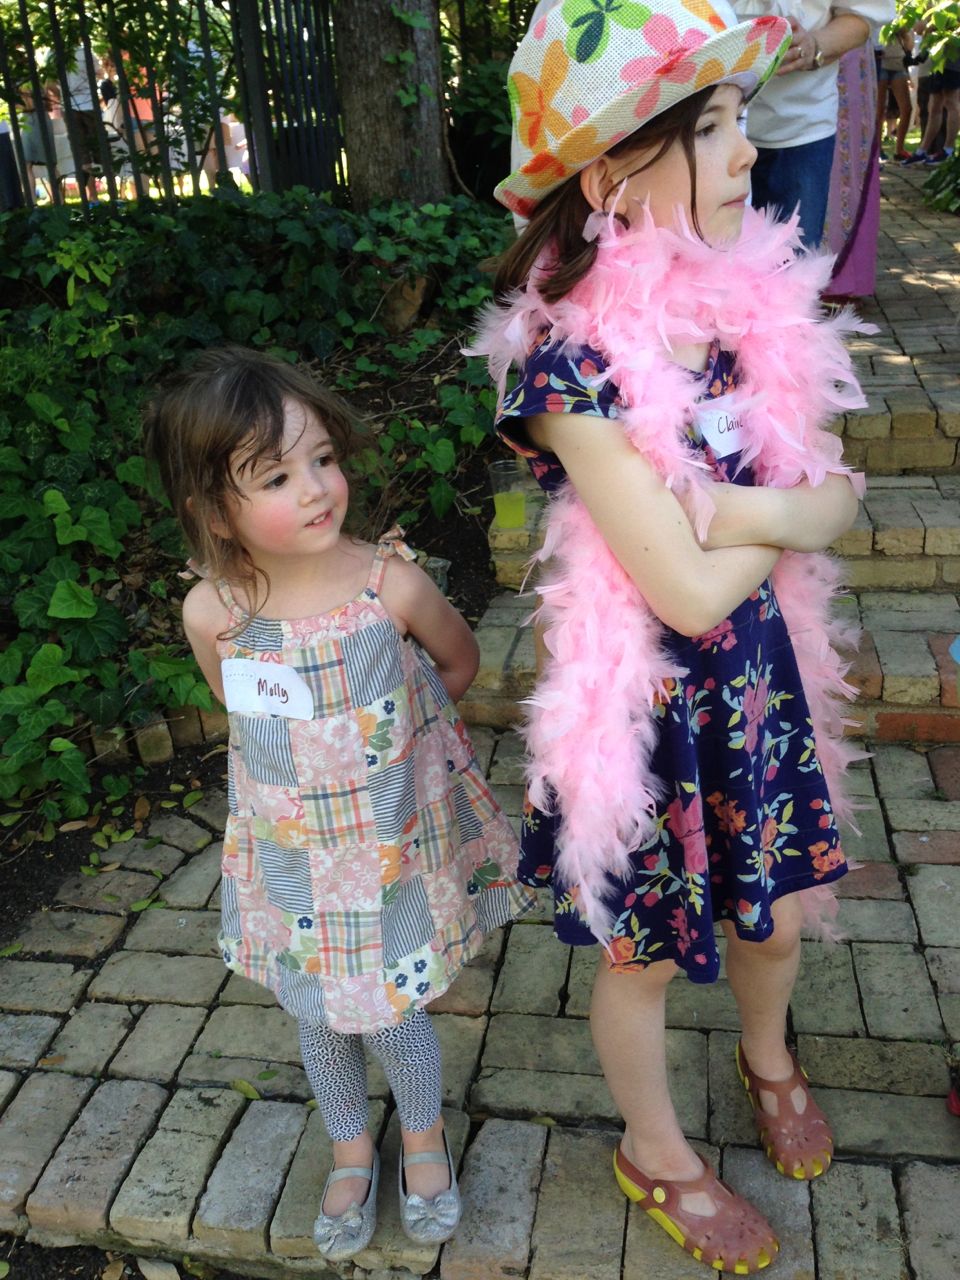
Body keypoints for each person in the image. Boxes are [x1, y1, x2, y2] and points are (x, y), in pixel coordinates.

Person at [474, 1, 866, 1272]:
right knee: (639, 956)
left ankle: (767, 1053)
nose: (748, 151)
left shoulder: (748, 311)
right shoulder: (568, 373)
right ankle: (656, 1148)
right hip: (647, 723)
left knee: (778, 917)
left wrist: (749, 511)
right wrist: (791, 512)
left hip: (757, 691)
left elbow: (838, 496)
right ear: (608, 178)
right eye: (711, 127)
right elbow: (688, 596)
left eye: (743, 118)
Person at [143, 347, 534, 1262]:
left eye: (322, 458)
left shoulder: (386, 586)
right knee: (317, 1013)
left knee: (393, 1010)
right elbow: (242, 716)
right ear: (215, 512)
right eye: (277, 476)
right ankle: (352, 1146)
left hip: (388, 850)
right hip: (291, 857)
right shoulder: (215, 613)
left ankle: (424, 1136)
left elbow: (458, 662)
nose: (318, 487)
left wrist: (406, 748)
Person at [731, 0, 893, 246]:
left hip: (800, 126)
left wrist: (814, 45)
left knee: (792, 261)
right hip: (696, 123)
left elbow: (862, 16)